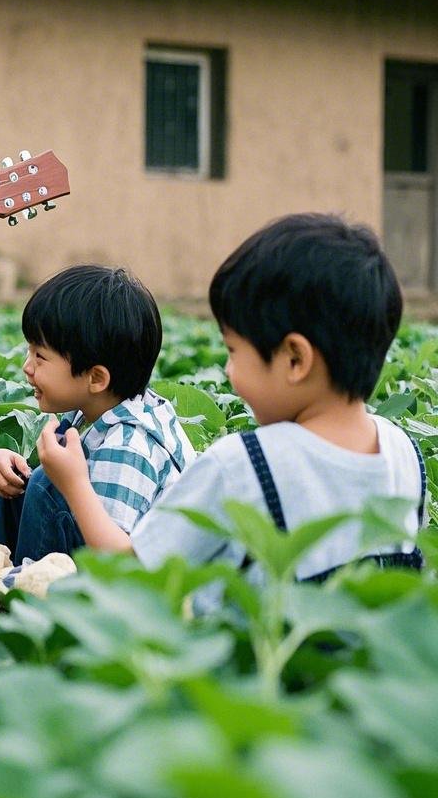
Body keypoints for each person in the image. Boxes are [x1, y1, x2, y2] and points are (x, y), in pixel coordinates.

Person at [40, 214, 425, 604]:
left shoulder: (243, 465)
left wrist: (74, 484)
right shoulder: (403, 450)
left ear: (295, 359)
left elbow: (132, 572)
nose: (229, 370)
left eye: (234, 351)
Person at [0, 264, 197, 565]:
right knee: (13, 483)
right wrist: (5, 461)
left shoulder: (128, 446)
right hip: (93, 556)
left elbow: (119, 561)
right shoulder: (89, 410)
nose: (27, 366)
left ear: (96, 378)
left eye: (40, 356)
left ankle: (23, 596)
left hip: (133, 587)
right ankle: (8, 574)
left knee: (46, 483)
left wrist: (71, 484)